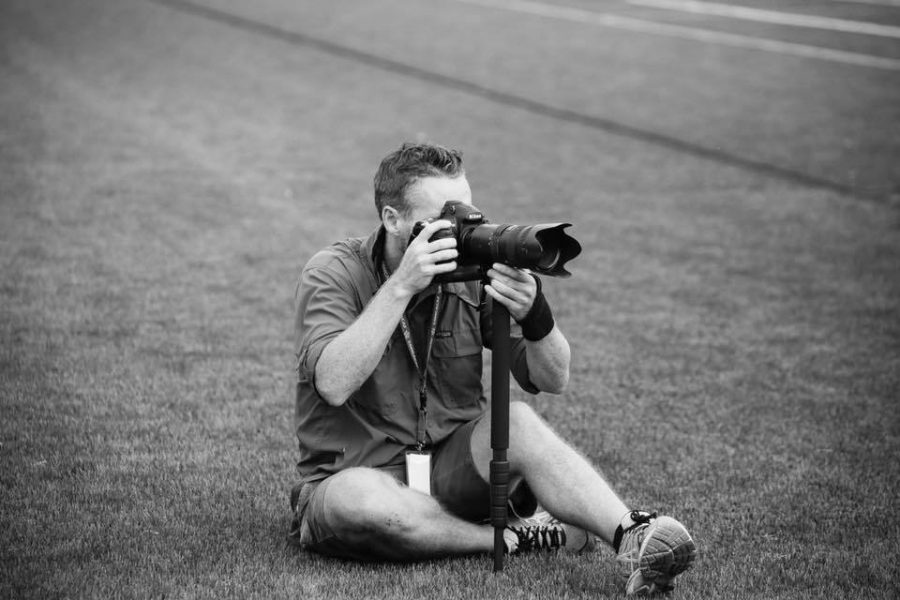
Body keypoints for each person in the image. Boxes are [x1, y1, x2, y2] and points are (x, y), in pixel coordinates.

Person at [288, 142, 696, 595]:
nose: (462, 226)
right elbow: (333, 383)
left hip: (450, 471)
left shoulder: (471, 277)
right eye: (445, 215)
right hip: (357, 478)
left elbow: (553, 378)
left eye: (466, 209)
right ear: (392, 219)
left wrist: (537, 315)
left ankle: (632, 533)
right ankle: (511, 536)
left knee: (518, 420)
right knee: (357, 501)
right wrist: (402, 286)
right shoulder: (332, 273)